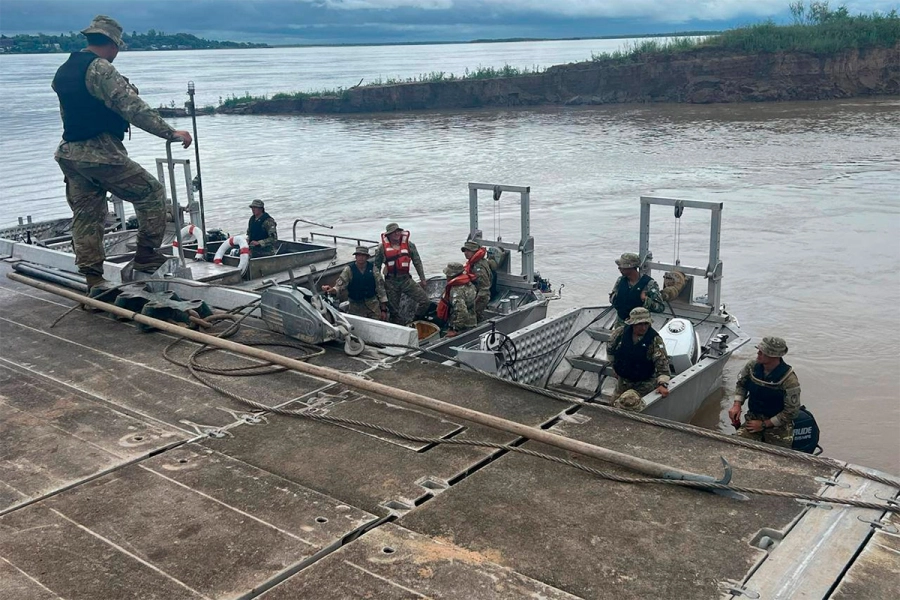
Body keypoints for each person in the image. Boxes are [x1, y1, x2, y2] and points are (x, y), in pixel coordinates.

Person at [52, 15, 193, 291]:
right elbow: (132, 107)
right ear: (113, 44)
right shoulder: (100, 69)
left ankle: (94, 279)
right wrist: (170, 132)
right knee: (150, 193)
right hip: (99, 153)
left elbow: (70, 113)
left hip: (70, 153)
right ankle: (146, 256)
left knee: (87, 215)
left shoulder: (65, 68)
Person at [728, 336, 801, 448]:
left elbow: (791, 411)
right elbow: (741, 384)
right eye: (759, 350)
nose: (758, 353)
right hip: (753, 420)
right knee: (734, 447)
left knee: (777, 459)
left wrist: (764, 424)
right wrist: (737, 405)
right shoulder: (752, 367)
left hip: (778, 427)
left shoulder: (789, 380)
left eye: (762, 352)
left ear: (773, 356)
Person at [607, 307, 671, 407]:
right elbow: (610, 350)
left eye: (646, 324)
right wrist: (614, 367)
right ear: (632, 324)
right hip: (623, 381)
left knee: (635, 407)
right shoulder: (620, 333)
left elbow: (662, 365)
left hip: (644, 383)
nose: (643, 327)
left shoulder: (655, 340)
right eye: (639, 324)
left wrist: (662, 384)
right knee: (613, 406)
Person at [372, 222, 430, 324]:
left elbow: (417, 262)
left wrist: (422, 279)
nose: (396, 234)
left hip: (406, 280)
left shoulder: (409, 245)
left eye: (398, 231)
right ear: (388, 235)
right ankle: (398, 327)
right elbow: (376, 267)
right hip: (391, 282)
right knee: (394, 311)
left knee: (425, 301)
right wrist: (379, 283)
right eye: (393, 232)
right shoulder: (382, 248)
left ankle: (416, 320)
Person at [321, 246, 389, 320]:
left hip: (373, 306)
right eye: (359, 255)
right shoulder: (349, 270)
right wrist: (331, 290)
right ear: (355, 257)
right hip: (355, 307)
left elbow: (381, 289)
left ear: (367, 257)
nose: (361, 257)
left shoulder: (373, 269)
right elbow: (339, 286)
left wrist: (383, 310)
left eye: (363, 255)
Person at [608, 253, 665, 326]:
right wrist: (615, 298)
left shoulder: (649, 284)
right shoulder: (620, 280)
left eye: (622, 266)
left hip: (639, 327)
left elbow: (660, 308)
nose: (619, 268)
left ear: (631, 267)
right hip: (621, 324)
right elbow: (612, 299)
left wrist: (646, 300)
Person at [436, 262, 477, 337]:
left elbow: (462, 312)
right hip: (472, 321)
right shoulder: (469, 284)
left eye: (447, 275)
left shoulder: (456, 291)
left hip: (462, 327)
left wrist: (455, 329)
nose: (446, 277)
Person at [461, 240, 492, 322]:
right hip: (476, 293)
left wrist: (474, 302)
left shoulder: (478, 267)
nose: (465, 253)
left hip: (481, 297)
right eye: (465, 250)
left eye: (468, 251)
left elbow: (484, 288)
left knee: (472, 315)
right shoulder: (474, 262)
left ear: (474, 252)